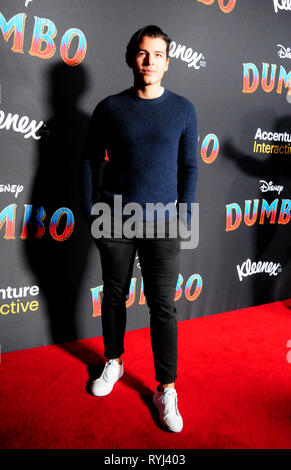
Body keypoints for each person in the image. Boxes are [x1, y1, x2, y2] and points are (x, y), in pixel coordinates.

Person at [82, 25, 198, 433]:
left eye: (158, 54)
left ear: (168, 61)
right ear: (132, 57)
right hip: (114, 218)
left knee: (162, 306)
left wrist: (185, 215)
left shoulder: (184, 109)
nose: (150, 61)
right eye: (143, 53)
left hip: (164, 222)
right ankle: (113, 362)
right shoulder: (110, 107)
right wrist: (91, 210)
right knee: (113, 295)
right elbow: (89, 160)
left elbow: (189, 168)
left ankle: (165, 387)